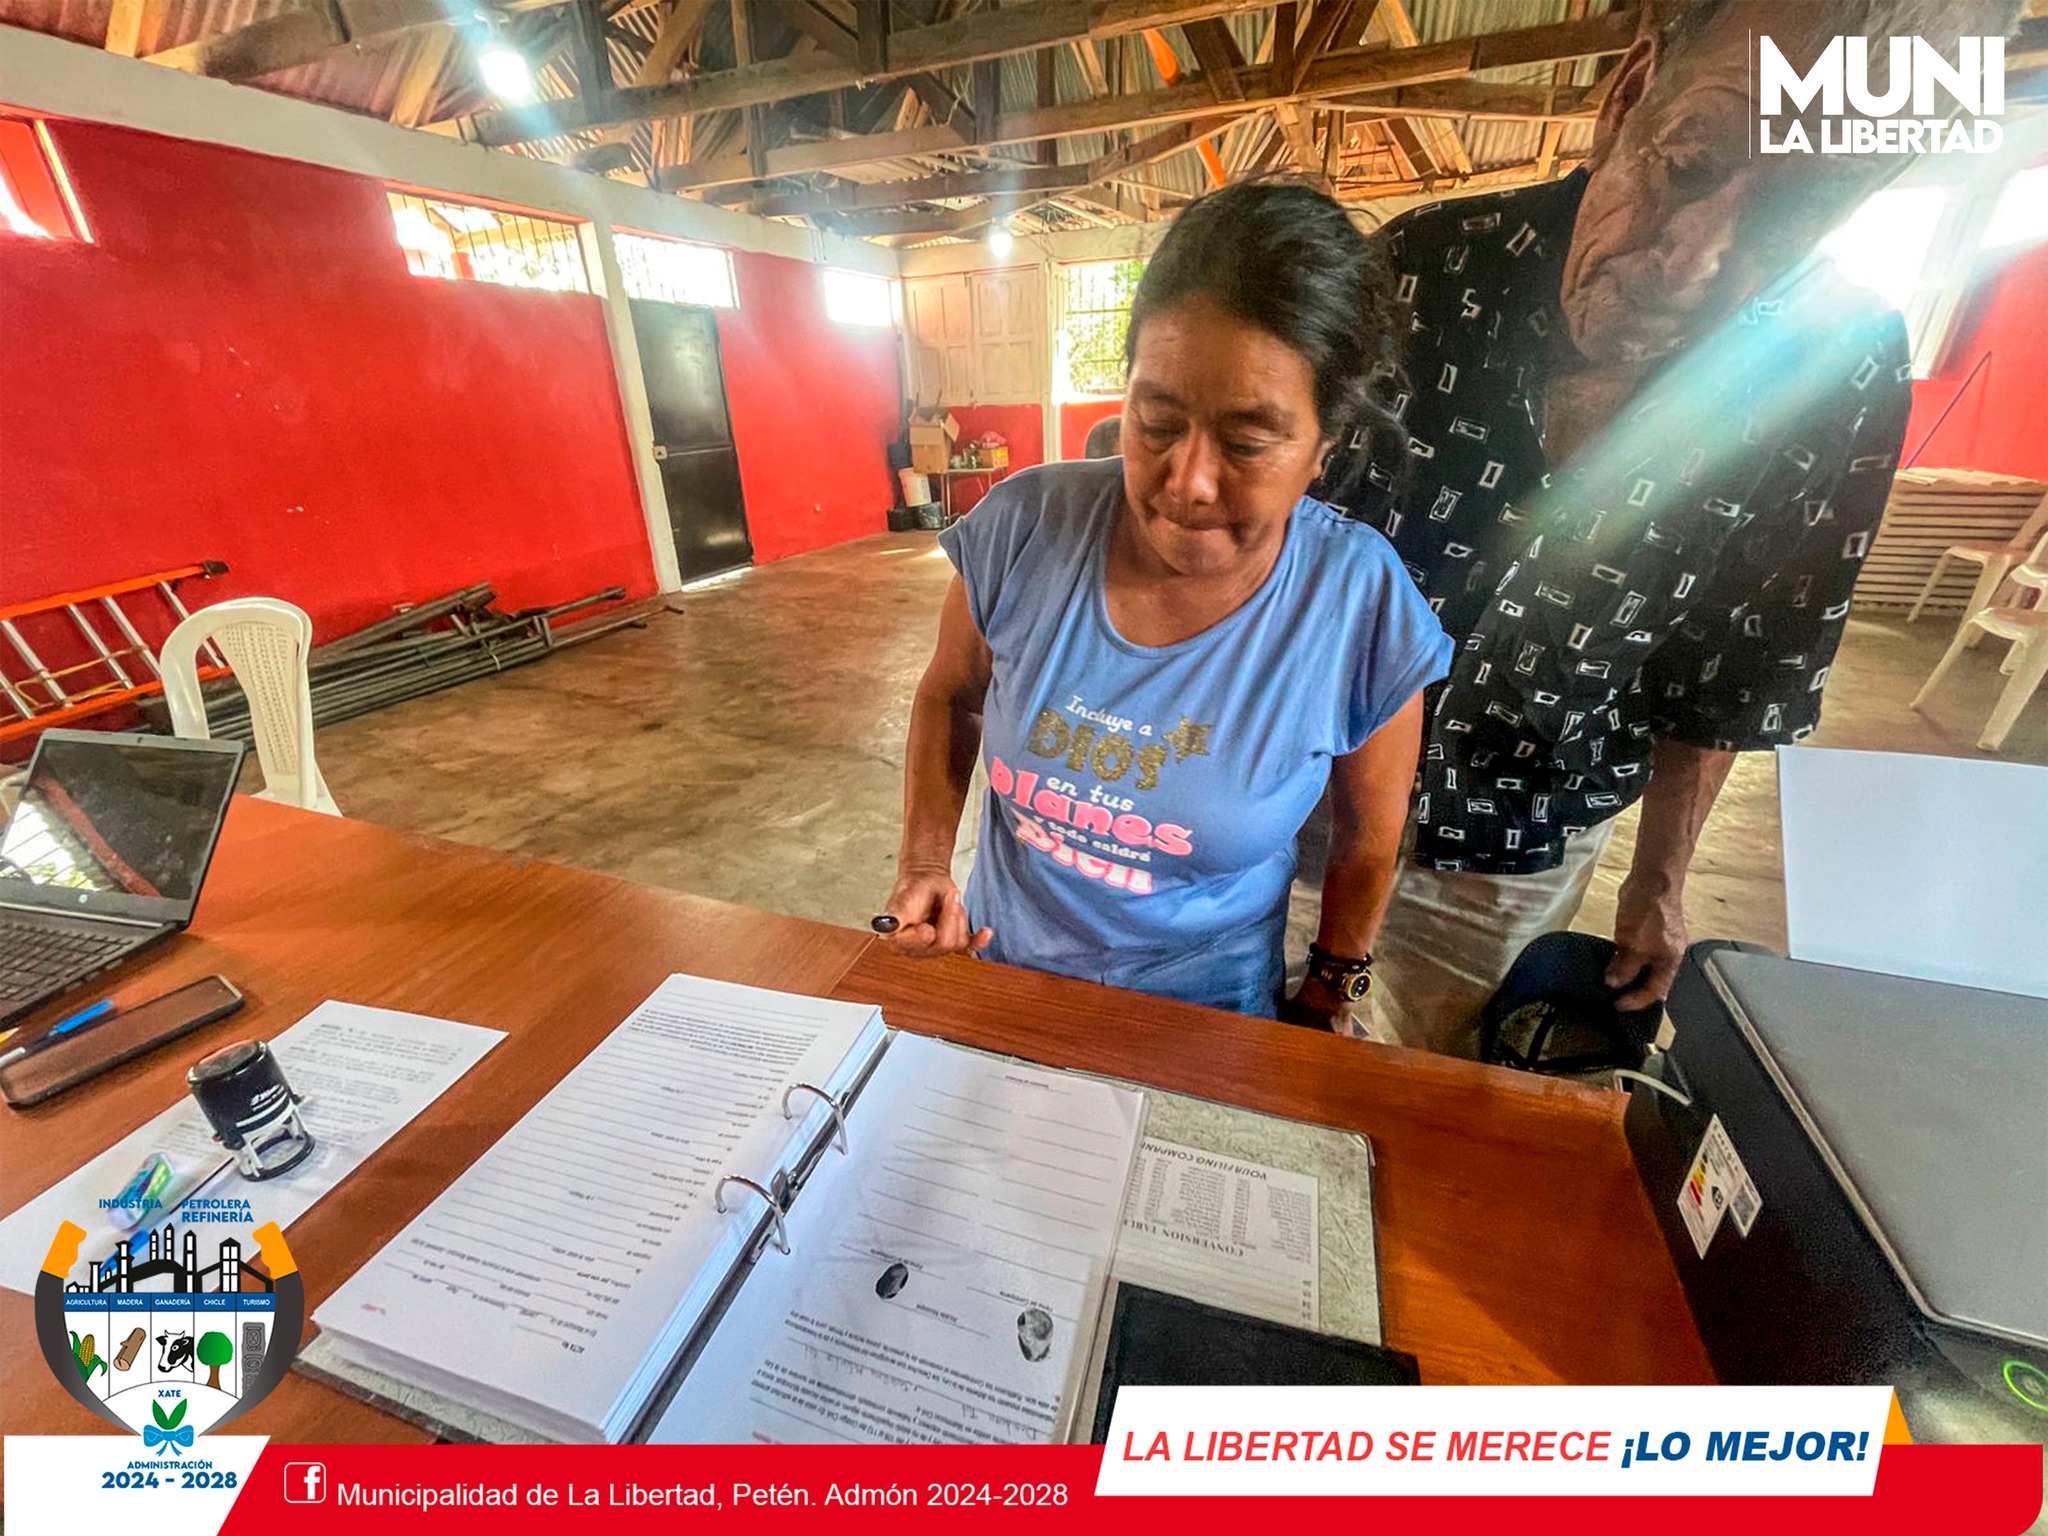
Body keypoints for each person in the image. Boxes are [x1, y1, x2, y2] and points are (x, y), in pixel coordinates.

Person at [1315, 0, 2016, 1056]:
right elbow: (1281, 537)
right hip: (1306, 793)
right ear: (1629, 94)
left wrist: (1660, 877)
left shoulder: (1838, 370)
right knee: (1258, 1046)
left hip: (1520, 831)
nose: (1694, 263)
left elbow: (1742, 662)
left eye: (1793, 217)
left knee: (1436, 1077)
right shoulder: (1425, 267)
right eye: (1688, 169)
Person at [879, 181, 1452, 1026]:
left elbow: (1369, 836)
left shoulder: (1358, 604)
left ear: (1322, 449)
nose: (1188, 481)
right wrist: (926, 864)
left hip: (1208, 1020)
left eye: (1248, 441)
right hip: (1008, 982)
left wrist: (1331, 988)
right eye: (1155, 422)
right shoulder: (1022, 529)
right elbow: (952, 694)